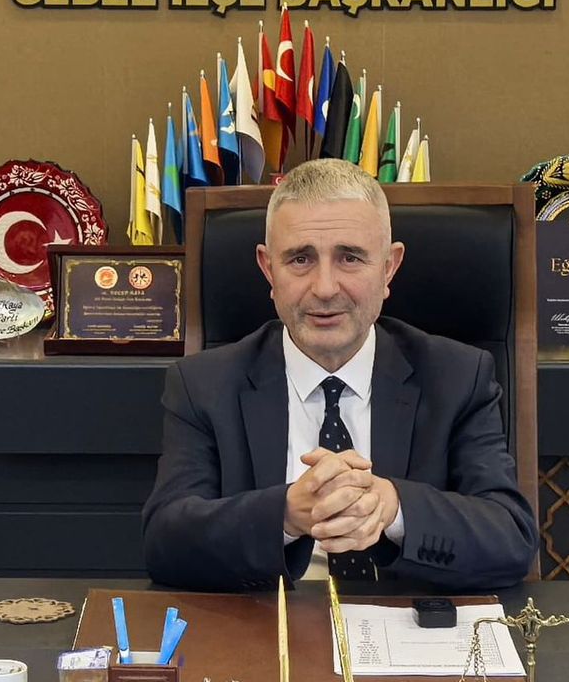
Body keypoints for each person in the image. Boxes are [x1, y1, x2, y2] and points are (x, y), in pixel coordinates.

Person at [142, 159, 536, 592]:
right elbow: (165, 543)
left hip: (406, 625)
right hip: (264, 624)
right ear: (268, 269)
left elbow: (510, 539)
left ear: (389, 267)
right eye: (300, 259)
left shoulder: (458, 377)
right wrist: (285, 515)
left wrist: (394, 509)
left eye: (350, 258)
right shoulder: (202, 385)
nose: (325, 288)